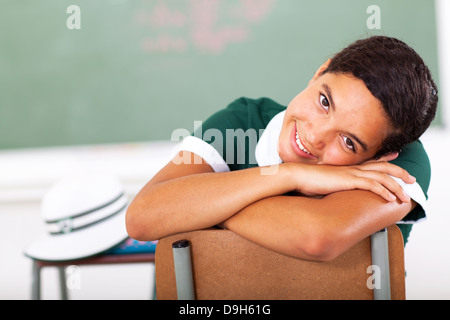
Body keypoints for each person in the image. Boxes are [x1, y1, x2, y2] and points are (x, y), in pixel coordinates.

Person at [126, 36, 438, 261]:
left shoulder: (403, 166)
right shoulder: (240, 124)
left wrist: (203, 207)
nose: (316, 135)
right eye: (324, 102)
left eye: (348, 141)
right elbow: (142, 218)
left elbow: (315, 238)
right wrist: (289, 175)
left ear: (381, 156)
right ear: (319, 72)